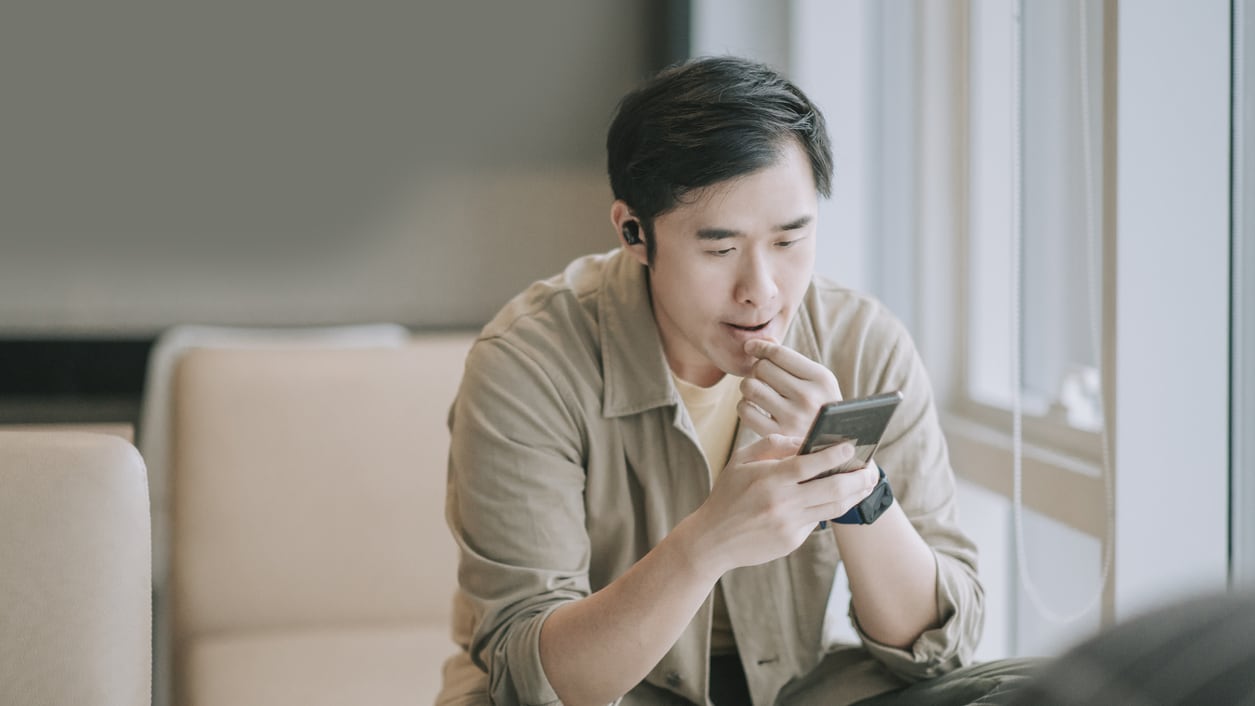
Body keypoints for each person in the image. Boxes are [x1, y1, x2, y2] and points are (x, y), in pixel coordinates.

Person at [436, 56, 1034, 706]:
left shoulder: (861, 343)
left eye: (788, 241)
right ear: (633, 232)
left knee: (1038, 687)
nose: (762, 292)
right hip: (617, 693)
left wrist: (851, 484)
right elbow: (537, 681)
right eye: (720, 249)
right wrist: (706, 542)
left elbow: (936, 651)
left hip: (796, 689)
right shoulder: (529, 362)